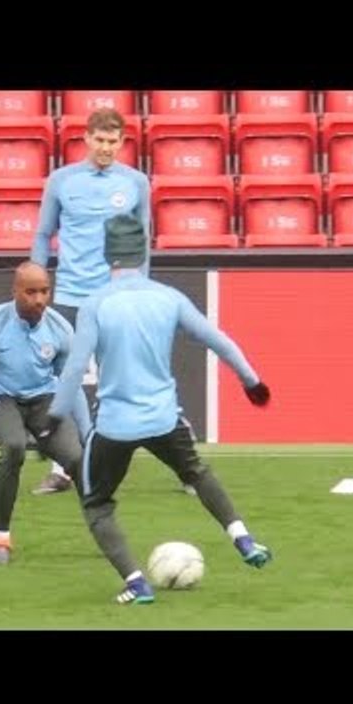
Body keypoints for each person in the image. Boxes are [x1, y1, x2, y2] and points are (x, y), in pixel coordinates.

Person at [48, 214, 273, 605]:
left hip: (116, 425)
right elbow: (217, 340)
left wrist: (54, 417)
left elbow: (73, 368)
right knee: (196, 472)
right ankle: (244, 538)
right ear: (144, 251)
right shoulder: (169, 297)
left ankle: (136, 583)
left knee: (96, 502)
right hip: (164, 418)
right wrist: (252, 381)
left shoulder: (95, 304)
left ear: (107, 255)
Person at [29, 107, 154, 495]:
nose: (105, 147)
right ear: (86, 139)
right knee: (63, 381)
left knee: (132, 379)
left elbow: (143, 240)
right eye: (99, 140)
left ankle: (182, 461)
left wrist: (140, 288)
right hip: (68, 295)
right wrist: (34, 281)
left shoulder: (136, 182)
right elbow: (43, 233)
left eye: (112, 141)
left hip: (116, 298)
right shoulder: (62, 181)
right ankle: (64, 468)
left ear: (122, 142)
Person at [0, 261, 90, 564]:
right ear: (15, 291)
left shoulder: (60, 329)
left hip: (43, 397)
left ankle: (102, 527)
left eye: (45, 291)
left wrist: (87, 432)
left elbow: (70, 385)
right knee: (13, 448)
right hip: (1, 396)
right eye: (30, 292)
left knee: (78, 459)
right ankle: (1, 537)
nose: (39, 299)